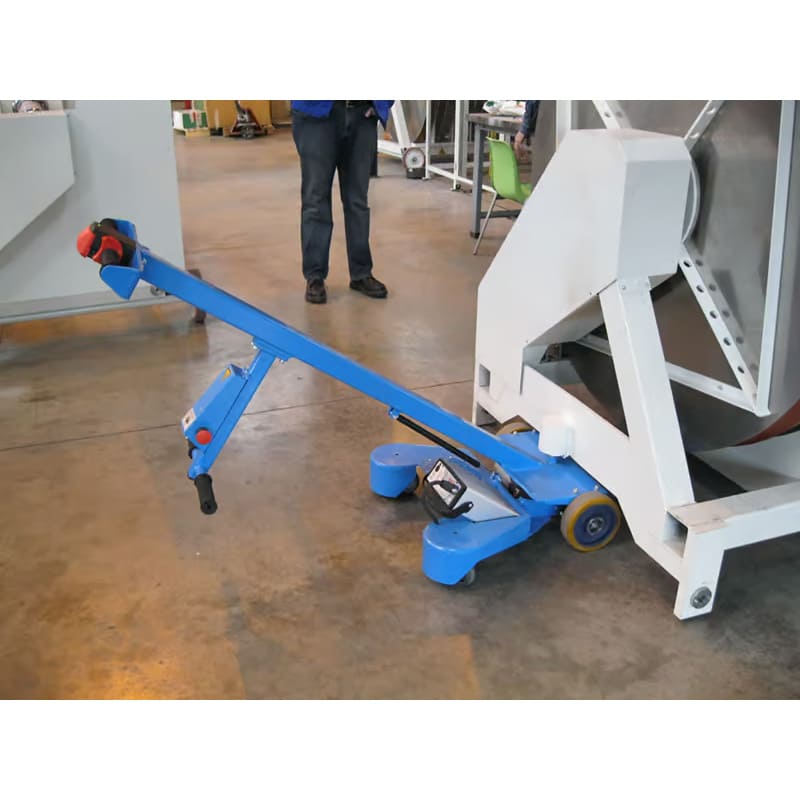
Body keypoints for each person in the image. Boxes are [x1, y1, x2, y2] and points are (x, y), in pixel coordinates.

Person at [291, 100, 394, 304]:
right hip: (316, 115)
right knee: (316, 199)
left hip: (361, 114)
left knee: (357, 201)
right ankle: (315, 276)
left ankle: (361, 273)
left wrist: (381, 103)